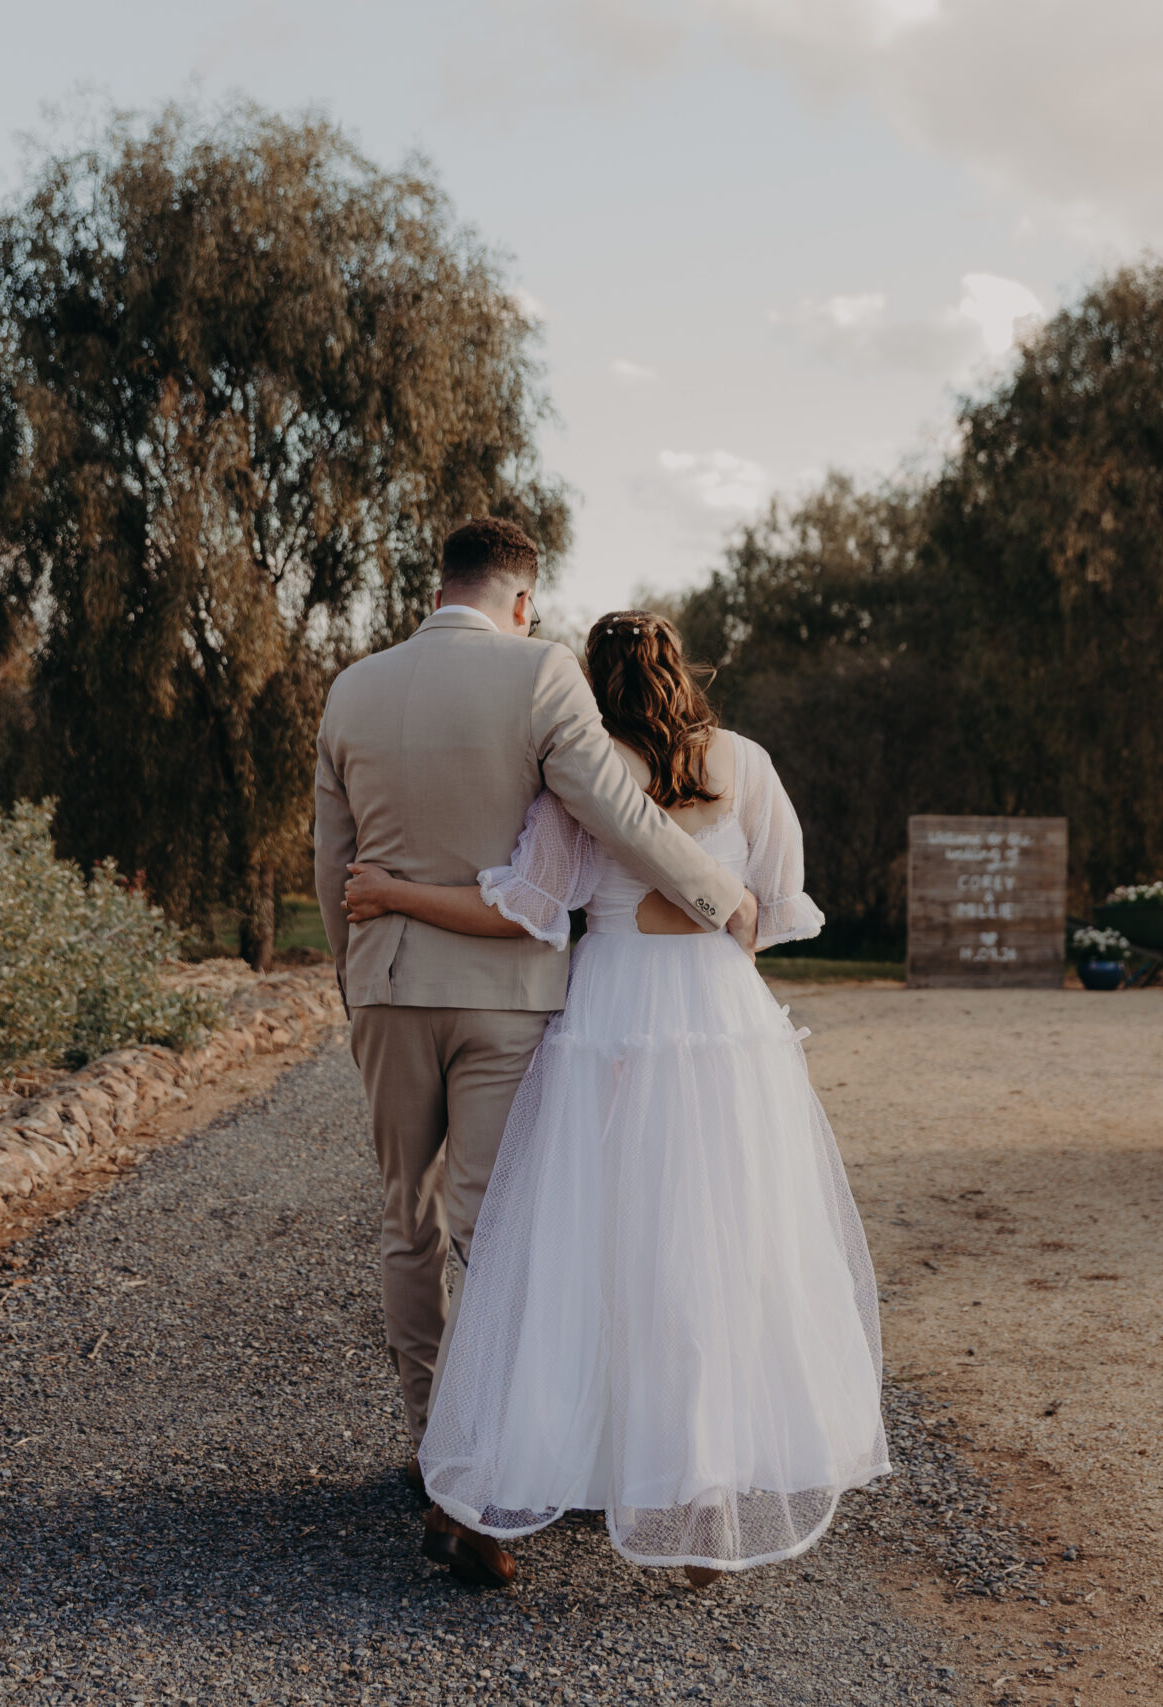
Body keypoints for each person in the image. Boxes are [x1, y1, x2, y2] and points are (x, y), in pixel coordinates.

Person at [339, 609, 888, 1590]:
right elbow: (769, 905)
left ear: (587, 683)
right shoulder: (746, 765)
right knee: (718, 1250)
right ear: (683, 671)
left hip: (613, 1026)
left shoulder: (579, 781)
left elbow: (524, 913)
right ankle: (700, 1492)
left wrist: (390, 892)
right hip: (723, 1026)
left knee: (572, 1257)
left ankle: (490, 1489)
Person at [313, 522, 759, 1591]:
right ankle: (495, 1461)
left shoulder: (352, 690)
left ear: (440, 583)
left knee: (405, 1222)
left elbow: (333, 857)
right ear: (521, 597)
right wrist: (716, 894)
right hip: (506, 995)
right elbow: (610, 810)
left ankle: (435, 1445)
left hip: (384, 981)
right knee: (504, 1230)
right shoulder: (539, 672)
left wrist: (353, 969)